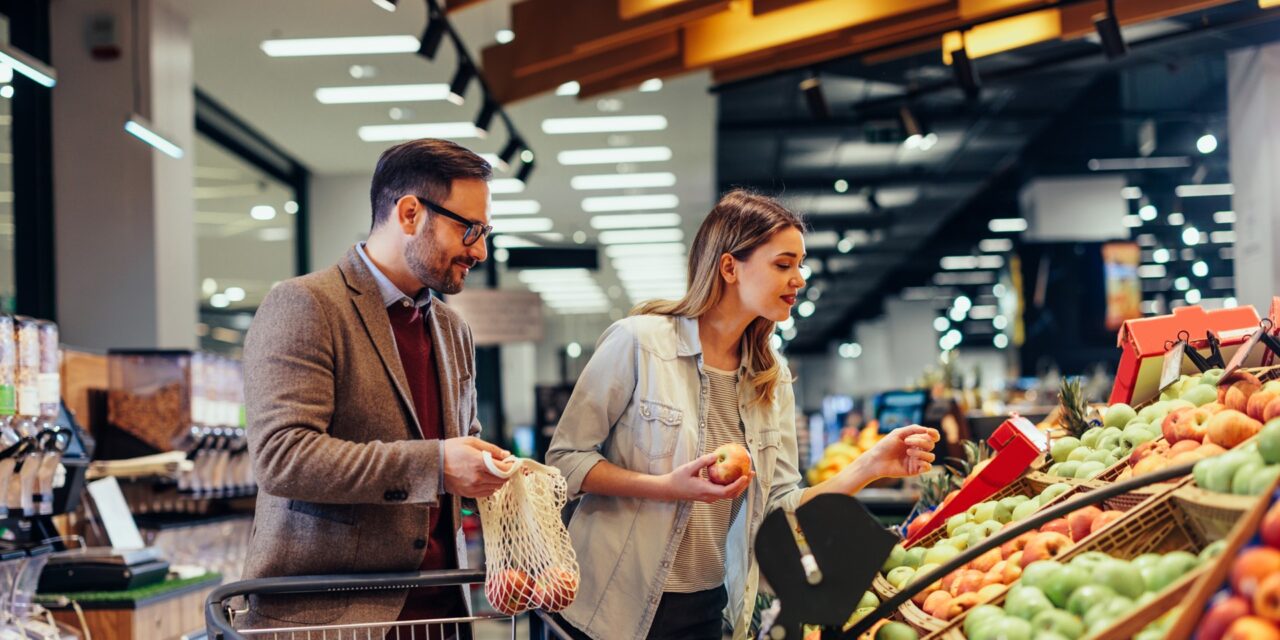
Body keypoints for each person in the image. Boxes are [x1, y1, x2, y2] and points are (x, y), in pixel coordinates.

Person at [546, 190, 939, 640]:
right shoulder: (639, 343)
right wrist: (665, 488)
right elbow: (565, 460)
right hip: (610, 603)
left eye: (800, 265)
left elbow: (779, 508)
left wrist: (870, 466)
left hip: (708, 607)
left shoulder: (770, 380)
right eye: (783, 264)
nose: (799, 278)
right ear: (730, 267)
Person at [240, 139, 513, 636]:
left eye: (485, 231)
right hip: (331, 621)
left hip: (442, 614)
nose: (480, 250)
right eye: (469, 229)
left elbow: (458, 461)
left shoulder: (453, 330)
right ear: (410, 213)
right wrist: (436, 464)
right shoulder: (305, 306)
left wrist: (496, 484)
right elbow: (283, 458)